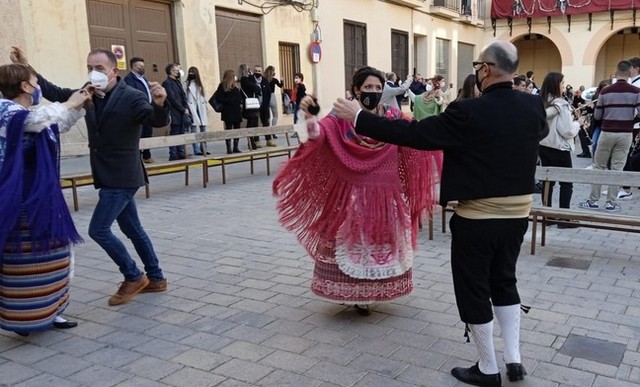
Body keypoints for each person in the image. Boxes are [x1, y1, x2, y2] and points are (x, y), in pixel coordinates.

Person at [333, 41, 548, 387]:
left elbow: (417, 134)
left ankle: (488, 368)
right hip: (517, 217)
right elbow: (538, 133)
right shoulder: (533, 105)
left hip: (477, 219)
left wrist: (358, 118)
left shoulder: (468, 111)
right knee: (505, 281)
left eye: (479, 66)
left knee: (474, 289)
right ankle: (514, 360)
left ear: (487, 69)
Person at [273, 66, 442, 316]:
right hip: (352, 197)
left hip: (386, 197)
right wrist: (307, 118)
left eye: (377, 88)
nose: (373, 92)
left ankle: (372, 293)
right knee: (353, 244)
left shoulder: (392, 116)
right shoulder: (341, 116)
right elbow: (318, 136)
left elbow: (416, 137)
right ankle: (354, 294)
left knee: (378, 246)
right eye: (368, 88)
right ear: (356, 90)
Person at [12, 47, 171, 306]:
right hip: (106, 174)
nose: (93, 73)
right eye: (89, 67)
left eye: (98, 68)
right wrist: (28, 67)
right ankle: (156, 278)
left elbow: (153, 119)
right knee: (133, 229)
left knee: (98, 229)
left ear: (113, 71)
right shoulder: (89, 92)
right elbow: (55, 92)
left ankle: (133, 276)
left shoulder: (131, 96)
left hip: (123, 175)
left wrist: (161, 102)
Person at [0, 63, 91, 336]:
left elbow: (54, 124)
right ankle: (25, 319)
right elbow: (38, 121)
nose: (38, 86)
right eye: (35, 81)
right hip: (16, 199)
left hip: (42, 197)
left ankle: (53, 311)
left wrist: (80, 106)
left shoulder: (28, 113)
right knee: (22, 261)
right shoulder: (5, 110)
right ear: (26, 87)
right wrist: (70, 102)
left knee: (56, 255)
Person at [579, 60, 640, 212]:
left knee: (598, 166)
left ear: (617, 71)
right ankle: (611, 203)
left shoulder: (606, 91)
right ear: (630, 72)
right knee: (617, 168)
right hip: (625, 134)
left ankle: (593, 201)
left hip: (607, 132)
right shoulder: (636, 92)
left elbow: (598, 115)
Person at [538, 72, 580, 227]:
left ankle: (546, 217)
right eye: (562, 83)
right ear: (556, 84)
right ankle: (564, 218)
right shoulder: (561, 104)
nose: (564, 86)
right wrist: (578, 123)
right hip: (560, 148)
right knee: (566, 183)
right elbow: (567, 131)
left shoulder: (542, 101)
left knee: (548, 182)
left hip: (543, 147)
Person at [123, 57, 154, 163]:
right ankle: (138, 157)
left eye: (143, 66)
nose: (143, 68)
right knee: (139, 134)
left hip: (148, 109)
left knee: (148, 133)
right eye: (140, 66)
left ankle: (147, 155)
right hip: (138, 111)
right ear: (134, 67)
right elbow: (133, 94)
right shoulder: (129, 79)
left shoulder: (143, 78)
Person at [163, 63, 190, 160]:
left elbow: (183, 97)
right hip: (174, 112)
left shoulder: (178, 82)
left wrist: (186, 108)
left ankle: (181, 152)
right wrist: (183, 109)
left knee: (181, 132)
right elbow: (172, 98)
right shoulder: (167, 83)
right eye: (177, 70)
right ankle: (173, 153)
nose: (178, 72)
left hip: (182, 112)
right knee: (175, 132)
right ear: (171, 72)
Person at [215, 69, 243, 154]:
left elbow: (239, 97)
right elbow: (218, 98)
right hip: (228, 111)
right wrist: (229, 100)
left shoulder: (235, 86)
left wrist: (240, 102)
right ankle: (228, 148)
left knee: (237, 130)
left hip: (236, 111)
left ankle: (235, 147)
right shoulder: (222, 86)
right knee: (228, 130)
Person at [185, 66, 209, 156]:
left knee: (203, 130)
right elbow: (185, 97)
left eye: (193, 72)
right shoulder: (186, 84)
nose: (192, 74)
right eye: (190, 72)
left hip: (201, 108)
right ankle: (196, 149)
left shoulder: (200, 84)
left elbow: (204, 97)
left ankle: (205, 148)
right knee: (194, 129)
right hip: (192, 108)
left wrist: (206, 107)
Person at [239, 63, 262, 150]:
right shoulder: (244, 79)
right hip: (249, 105)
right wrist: (252, 77)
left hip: (253, 104)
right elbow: (255, 87)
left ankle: (253, 141)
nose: (250, 71)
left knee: (255, 122)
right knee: (251, 123)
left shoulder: (248, 79)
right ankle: (251, 142)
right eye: (248, 69)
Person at [252, 65, 276, 147]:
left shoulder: (264, 80)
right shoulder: (251, 80)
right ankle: (256, 140)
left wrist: (266, 103)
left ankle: (268, 140)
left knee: (266, 122)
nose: (257, 73)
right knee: (255, 123)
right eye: (256, 71)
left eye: (259, 71)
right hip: (254, 106)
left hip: (264, 105)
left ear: (262, 72)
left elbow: (268, 93)